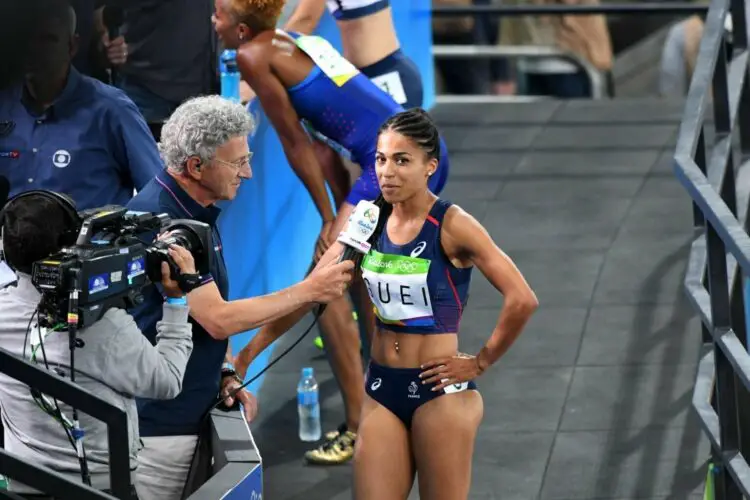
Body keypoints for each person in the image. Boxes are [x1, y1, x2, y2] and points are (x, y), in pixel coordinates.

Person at [235, 108, 538, 498]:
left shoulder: (452, 224)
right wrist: (247, 354)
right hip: (382, 388)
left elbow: (522, 298)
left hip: (439, 391)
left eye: (401, 160)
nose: (387, 171)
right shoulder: (368, 220)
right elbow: (311, 291)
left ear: (430, 166)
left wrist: (481, 360)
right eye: (380, 159)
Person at [212, 0, 451, 465]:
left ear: (241, 28)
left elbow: (295, 144)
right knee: (351, 277)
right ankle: (386, 405)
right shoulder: (297, 40)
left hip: (391, 166)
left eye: (219, 13)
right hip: (411, 153)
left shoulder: (253, 56)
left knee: (324, 284)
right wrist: (334, 214)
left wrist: (329, 220)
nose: (212, 21)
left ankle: (351, 420)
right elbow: (324, 146)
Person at [126, 95, 354, 500]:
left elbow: (199, 317)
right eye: (237, 163)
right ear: (196, 166)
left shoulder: (195, 212)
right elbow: (218, 318)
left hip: (188, 409)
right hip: (163, 429)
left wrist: (225, 372)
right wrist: (310, 289)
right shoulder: (167, 226)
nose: (248, 173)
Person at [0, 190, 195, 499]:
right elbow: (167, 380)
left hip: (21, 485)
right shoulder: (104, 325)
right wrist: (175, 300)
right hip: (102, 489)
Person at [0, 0, 161, 210]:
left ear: (72, 46)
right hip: (12, 239)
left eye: (47, 40)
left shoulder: (111, 109)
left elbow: (157, 192)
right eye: (28, 40)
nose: (35, 50)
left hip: (89, 241)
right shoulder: (5, 106)